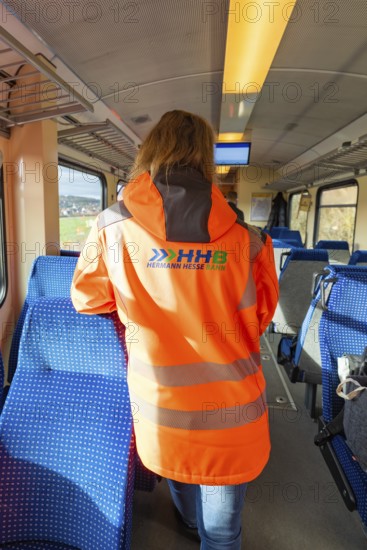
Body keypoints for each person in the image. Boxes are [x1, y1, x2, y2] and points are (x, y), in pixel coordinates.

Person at [71, 110, 279, 549]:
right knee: (223, 534)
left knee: (180, 470)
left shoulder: (112, 226)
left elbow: (87, 299)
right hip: (232, 413)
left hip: (161, 404)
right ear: (206, 159)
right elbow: (260, 320)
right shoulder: (251, 240)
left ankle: (186, 523)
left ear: (149, 151)